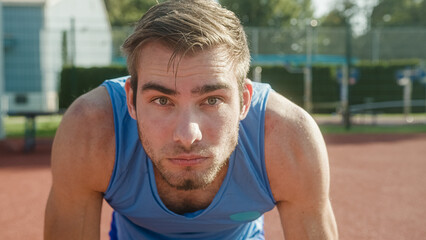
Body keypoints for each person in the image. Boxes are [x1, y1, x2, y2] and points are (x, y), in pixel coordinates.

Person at [44, 0, 338, 239]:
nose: (187, 135)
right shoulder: (91, 129)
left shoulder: (287, 137)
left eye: (212, 100)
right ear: (131, 100)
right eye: (162, 100)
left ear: (245, 101)